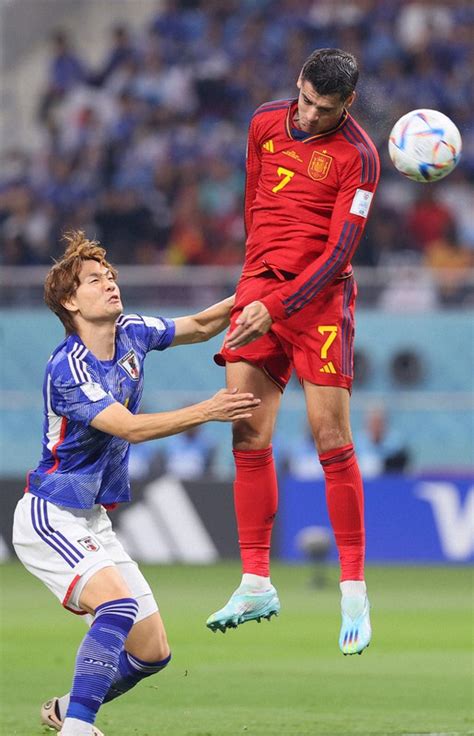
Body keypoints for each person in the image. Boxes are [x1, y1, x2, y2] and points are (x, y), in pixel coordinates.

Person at [12, 231, 260, 736]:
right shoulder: (68, 367)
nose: (110, 285)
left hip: (93, 518)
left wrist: (268, 293)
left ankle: (64, 708)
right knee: (118, 606)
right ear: (68, 301)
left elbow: (203, 325)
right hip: (49, 513)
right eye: (94, 281)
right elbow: (129, 427)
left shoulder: (132, 330)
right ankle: (80, 728)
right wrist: (208, 410)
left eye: (110, 277)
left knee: (152, 653)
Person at [205, 48, 380, 656]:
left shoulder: (360, 157)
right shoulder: (262, 124)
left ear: (347, 105)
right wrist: (252, 286)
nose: (306, 115)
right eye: (303, 99)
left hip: (319, 303)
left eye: (322, 108)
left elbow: (337, 256)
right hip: (261, 290)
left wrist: (277, 305)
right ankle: (256, 581)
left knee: (331, 438)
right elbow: (257, 210)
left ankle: (353, 587)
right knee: (246, 431)